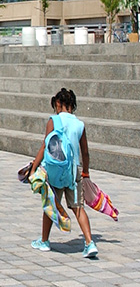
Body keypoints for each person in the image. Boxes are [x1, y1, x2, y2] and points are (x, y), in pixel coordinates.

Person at [28, 88, 97, 258]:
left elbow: (46, 146)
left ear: (58, 104)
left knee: (50, 204)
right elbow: (85, 152)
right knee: (78, 208)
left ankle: (44, 241)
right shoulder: (80, 124)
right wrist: (86, 172)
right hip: (73, 171)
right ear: (73, 105)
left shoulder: (54, 120)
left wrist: (33, 167)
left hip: (55, 170)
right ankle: (89, 242)